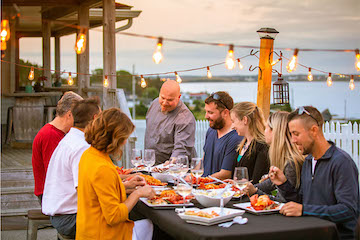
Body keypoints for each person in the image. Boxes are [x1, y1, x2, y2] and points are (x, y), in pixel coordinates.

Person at [269, 106, 359, 240]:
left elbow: (348, 210)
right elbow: (303, 202)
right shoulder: (309, 161)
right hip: (311, 231)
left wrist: (304, 210)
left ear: (314, 130)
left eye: (296, 134)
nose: (293, 140)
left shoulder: (341, 162)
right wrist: (283, 184)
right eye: (291, 134)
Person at [76, 108, 156, 240]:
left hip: (87, 230)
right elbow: (114, 217)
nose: (125, 142)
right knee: (157, 228)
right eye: (124, 138)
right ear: (115, 138)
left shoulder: (89, 155)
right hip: (103, 234)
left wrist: (125, 185)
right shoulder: (102, 167)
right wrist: (138, 193)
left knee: (148, 225)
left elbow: (97, 191)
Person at [41, 97, 101, 237]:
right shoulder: (81, 147)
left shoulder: (70, 139)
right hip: (70, 218)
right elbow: (86, 191)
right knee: (132, 216)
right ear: (95, 118)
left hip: (61, 214)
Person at [32, 91, 82, 203]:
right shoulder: (50, 135)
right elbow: (57, 174)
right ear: (69, 115)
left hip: (56, 192)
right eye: (79, 117)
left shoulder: (55, 132)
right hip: (52, 196)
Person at [243, 111, 304, 202]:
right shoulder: (283, 158)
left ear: (275, 131)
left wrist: (255, 192)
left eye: (267, 127)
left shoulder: (291, 164)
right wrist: (243, 188)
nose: (264, 131)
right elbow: (269, 184)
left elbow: (282, 202)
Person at [145, 80, 196, 165]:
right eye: (162, 98)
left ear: (179, 97)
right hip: (151, 166)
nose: (164, 103)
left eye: (170, 100)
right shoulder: (154, 104)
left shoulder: (185, 118)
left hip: (174, 170)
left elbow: (181, 149)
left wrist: (172, 162)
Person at [202, 92, 243, 179]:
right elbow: (203, 161)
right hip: (203, 189)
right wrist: (190, 177)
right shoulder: (211, 131)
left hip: (220, 190)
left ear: (225, 113)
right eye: (206, 112)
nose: (206, 116)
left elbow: (225, 174)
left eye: (210, 112)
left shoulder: (236, 137)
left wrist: (201, 181)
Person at [230, 102, 270, 184]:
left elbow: (257, 180)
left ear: (245, 120)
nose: (232, 126)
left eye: (233, 121)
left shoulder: (262, 146)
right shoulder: (243, 145)